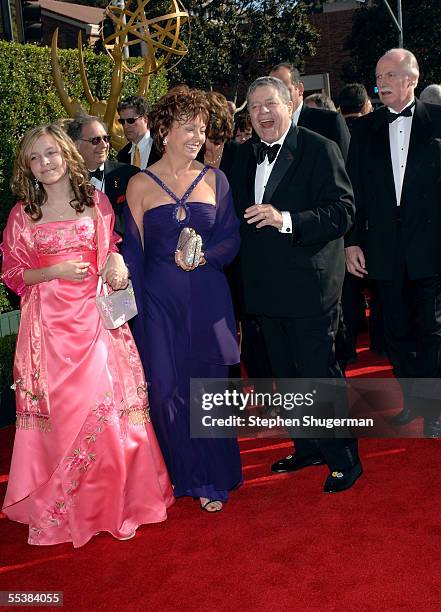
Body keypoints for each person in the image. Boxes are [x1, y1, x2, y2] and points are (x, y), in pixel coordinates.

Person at [1, 124, 173, 546]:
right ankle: (65, 510)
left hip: (96, 321)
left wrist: (116, 262)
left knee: (105, 413)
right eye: (35, 158)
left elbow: (110, 247)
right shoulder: (24, 214)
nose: (45, 164)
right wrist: (52, 271)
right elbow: (11, 274)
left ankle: (115, 506)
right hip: (49, 333)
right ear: (27, 167)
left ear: (66, 154)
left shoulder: (95, 202)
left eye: (51, 154)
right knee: (61, 421)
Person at [230, 76, 362, 493]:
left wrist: (285, 219)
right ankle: (308, 447)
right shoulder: (239, 157)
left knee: (318, 375)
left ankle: (345, 460)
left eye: (270, 104)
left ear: (290, 105)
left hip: (310, 287)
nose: (263, 114)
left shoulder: (319, 148)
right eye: (254, 107)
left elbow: (343, 212)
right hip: (265, 289)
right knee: (285, 376)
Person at [123, 88, 242, 512]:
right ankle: (180, 476)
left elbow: (231, 239)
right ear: (164, 130)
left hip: (208, 300)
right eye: (188, 127)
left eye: (203, 128)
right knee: (167, 392)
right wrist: (126, 314)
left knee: (207, 391)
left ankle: (212, 479)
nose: (198, 135)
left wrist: (205, 254)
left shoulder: (215, 178)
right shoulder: (138, 183)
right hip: (158, 305)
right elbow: (132, 255)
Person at [345, 48, 441, 437]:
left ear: (411, 79)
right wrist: (352, 242)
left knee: (433, 329)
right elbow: (353, 192)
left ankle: (434, 410)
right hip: (382, 246)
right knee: (396, 328)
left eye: (388, 76)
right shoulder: (364, 129)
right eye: (378, 77)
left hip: (432, 244)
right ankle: (413, 402)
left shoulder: (438, 122)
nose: (380, 83)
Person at [67, 115, 138, 238]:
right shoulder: (64, 181)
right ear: (75, 145)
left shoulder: (130, 176)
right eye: (95, 140)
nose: (104, 145)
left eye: (106, 139)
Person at [270, 62, 350, 160]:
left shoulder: (329, 122)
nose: (279, 97)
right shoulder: (265, 129)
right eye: (273, 93)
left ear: (300, 89)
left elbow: (347, 166)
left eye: (285, 91)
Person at [116, 95, 161, 169]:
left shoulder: (162, 148)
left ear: (145, 119)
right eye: (122, 121)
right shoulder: (122, 156)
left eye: (131, 121)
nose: (126, 126)